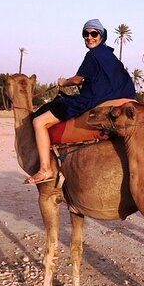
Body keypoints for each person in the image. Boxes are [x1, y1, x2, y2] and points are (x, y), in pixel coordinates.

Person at [23, 18, 136, 184]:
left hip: (91, 101)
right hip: (114, 98)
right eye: (86, 33)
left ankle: (45, 169)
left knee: (39, 122)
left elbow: (76, 80)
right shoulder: (109, 56)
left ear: (101, 35)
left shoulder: (92, 55)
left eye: (94, 33)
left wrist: (63, 82)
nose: (89, 37)